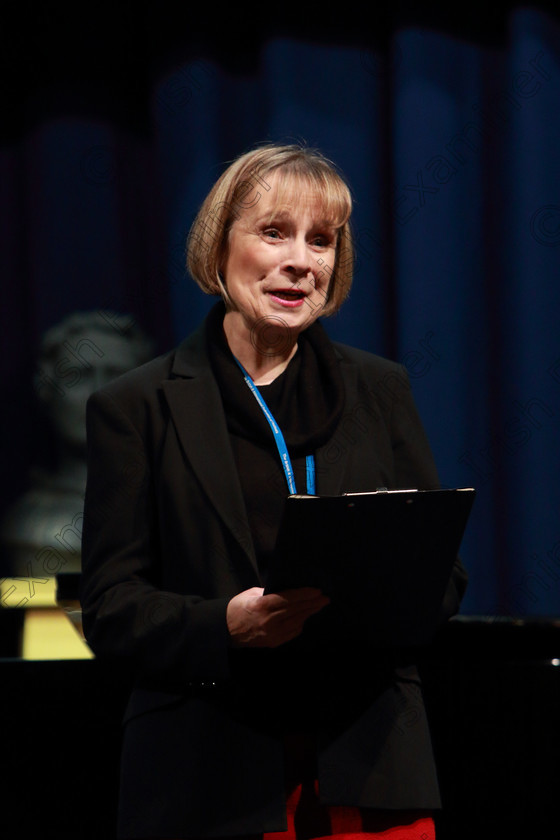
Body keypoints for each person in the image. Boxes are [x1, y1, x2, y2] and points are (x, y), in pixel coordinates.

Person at [80, 144, 467, 840]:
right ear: (219, 244)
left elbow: (443, 575)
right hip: (209, 773)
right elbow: (110, 608)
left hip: (368, 765)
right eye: (274, 232)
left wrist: (386, 597)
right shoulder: (135, 407)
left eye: (321, 241)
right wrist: (224, 626)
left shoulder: (381, 390)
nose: (301, 260)